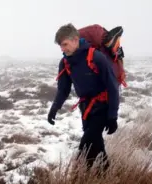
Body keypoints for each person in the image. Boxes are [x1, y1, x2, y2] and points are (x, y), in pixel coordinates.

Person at [47, 23, 120, 170]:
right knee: (96, 143)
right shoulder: (65, 62)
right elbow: (63, 89)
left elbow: (113, 88)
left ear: (75, 40)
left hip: (102, 106)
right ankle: (105, 172)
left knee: (86, 146)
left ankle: (79, 178)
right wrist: (54, 109)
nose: (62, 49)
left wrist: (112, 116)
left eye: (65, 44)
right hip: (85, 108)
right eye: (60, 46)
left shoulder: (96, 58)